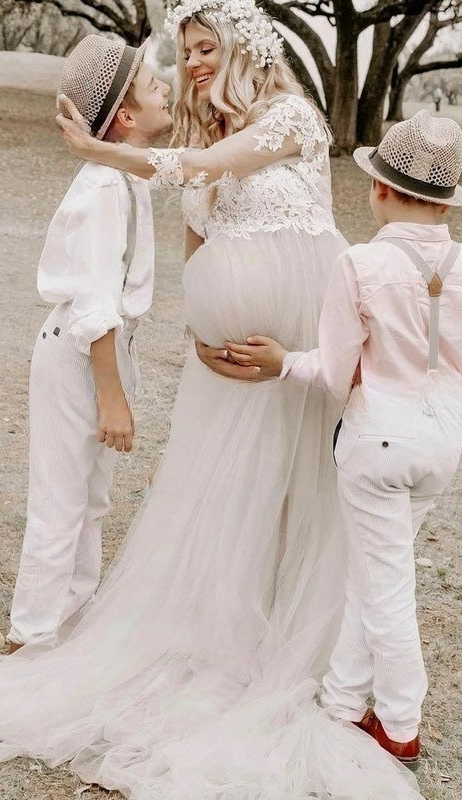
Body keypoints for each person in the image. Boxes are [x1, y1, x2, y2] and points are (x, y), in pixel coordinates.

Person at [0, 3, 422, 798]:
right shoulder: (203, 143)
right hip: (224, 365)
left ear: (242, 49)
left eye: (204, 48)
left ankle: (311, 656)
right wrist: (204, 322)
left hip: (299, 339)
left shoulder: (290, 118)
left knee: (304, 496)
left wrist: (99, 150)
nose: (193, 63)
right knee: (223, 499)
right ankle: (220, 637)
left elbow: (199, 175)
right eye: (185, 50)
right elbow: (198, 229)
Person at [224, 110, 462, 769]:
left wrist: (283, 363)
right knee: (374, 571)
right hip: (443, 443)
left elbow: (334, 371)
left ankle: (401, 723)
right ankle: (343, 701)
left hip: (380, 441)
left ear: (382, 189)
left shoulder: (361, 263)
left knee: (387, 588)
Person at [6, 34, 172, 651]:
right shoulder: (103, 189)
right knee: (60, 501)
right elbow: (96, 304)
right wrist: (112, 397)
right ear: (126, 118)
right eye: (155, 86)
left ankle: (71, 623)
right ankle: (34, 637)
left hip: (104, 352)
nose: (167, 90)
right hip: (80, 354)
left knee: (91, 500)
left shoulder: (123, 174)